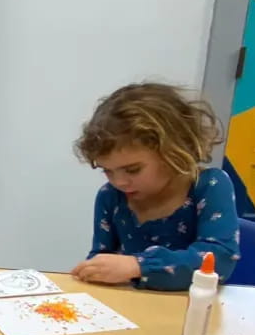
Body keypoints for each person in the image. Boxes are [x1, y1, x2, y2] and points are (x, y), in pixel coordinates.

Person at [71, 83, 240, 291]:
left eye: (133, 170)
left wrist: (139, 266)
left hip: (192, 311)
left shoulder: (208, 186)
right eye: (108, 171)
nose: (119, 182)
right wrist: (95, 270)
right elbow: (102, 257)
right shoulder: (110, 196)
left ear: (173, 151)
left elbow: (219, 260)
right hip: (133, 311)